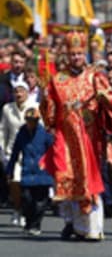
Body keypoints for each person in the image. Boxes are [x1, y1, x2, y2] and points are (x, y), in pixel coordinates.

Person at [40, 32, 112, 241]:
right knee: (67, 178)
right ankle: (72, 224)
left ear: (85, 55)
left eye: (80, 54)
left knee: (89, 180)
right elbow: (50, 107)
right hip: (66, 137)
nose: (76, 58)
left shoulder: (94, 76)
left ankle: (92, 228)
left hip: (90, 138)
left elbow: (109, 98)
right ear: (67, 55)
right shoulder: (57, 79)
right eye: (73, 54)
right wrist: (48, 116)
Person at [6, 108, 54, 236]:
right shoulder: (22, 132)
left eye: (33, 120)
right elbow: (15, 152)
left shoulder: (45, 133)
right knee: (27, 199)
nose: (30, 122)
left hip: (42, 172)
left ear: (37, 121)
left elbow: (53, 152)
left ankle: (35, 225)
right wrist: (10, 170)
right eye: (28, 120)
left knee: (40, 202)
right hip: (27, 171)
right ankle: (29, 223)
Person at [0, 81, 38, 226]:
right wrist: (2, 149)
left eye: (22, 91)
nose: (19, 94)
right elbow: (2, 130)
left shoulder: (34, 107)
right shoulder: (7, 108)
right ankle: (17, 209)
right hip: (12, 152)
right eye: (16, 91)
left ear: (27, 93)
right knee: (14, 181)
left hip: (30, 152)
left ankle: (29, 212)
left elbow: (39, 129)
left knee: (29, 187)